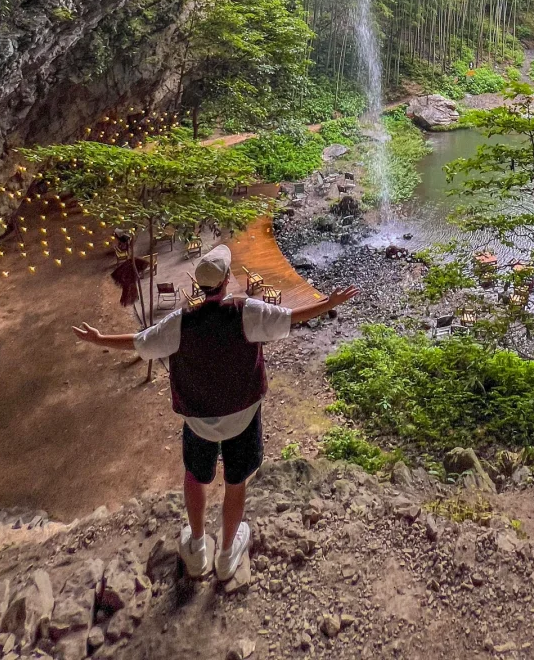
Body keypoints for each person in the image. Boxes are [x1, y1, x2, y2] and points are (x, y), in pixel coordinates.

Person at [73, 244, 356, 580]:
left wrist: (100, 337)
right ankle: (226, 556)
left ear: (198, 284)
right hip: (244, 415)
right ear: (225, 282)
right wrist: (328, 303)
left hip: (198, 418)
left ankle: (196, 547)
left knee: (195, 476)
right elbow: (291, 318)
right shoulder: (246, 312)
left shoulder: (180, 322)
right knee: (236, 482)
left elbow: (139, 342)